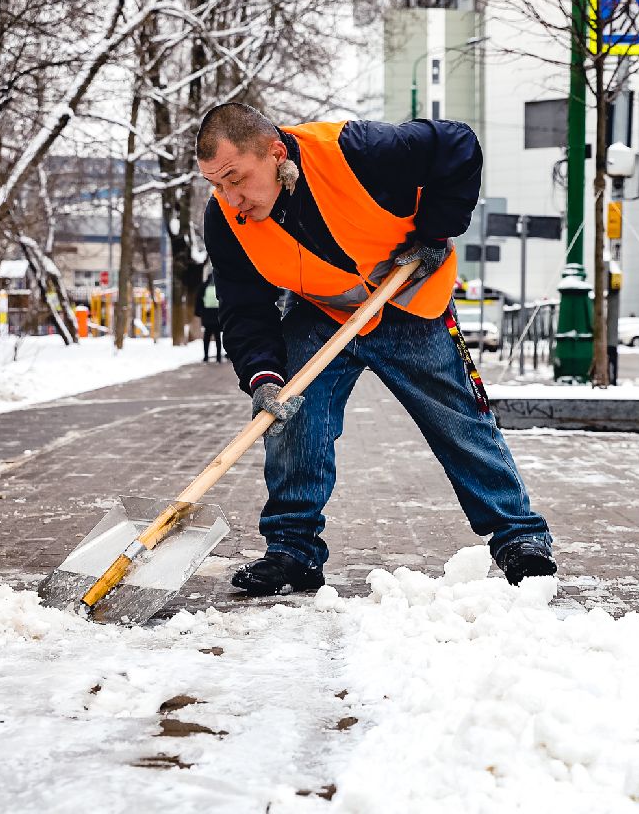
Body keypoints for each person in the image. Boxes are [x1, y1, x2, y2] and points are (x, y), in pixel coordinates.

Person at [195, 102, 555, 595]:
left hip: (411, 302)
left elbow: (457, 144)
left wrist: (435, 231)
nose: (231, 198)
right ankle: (293, 550)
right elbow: (243, 307)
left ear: (276, 154)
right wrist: (262, 376)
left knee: (459, 420)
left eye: (236, 178)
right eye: (216, 184)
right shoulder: (225, 220)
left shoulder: (357, 151)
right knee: (291, 417)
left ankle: (519, 537)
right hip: (323, 313)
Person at [197, 267, 223, 363]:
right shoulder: (219, 286)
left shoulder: (204, 286)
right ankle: (218, 357)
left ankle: (206, 356)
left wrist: (199, 312)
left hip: (207, 315)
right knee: (217, 337)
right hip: (217, 314)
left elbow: (199, 300)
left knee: (207, 337)